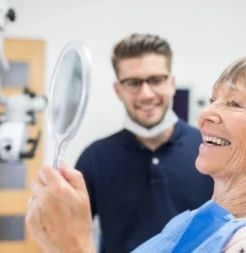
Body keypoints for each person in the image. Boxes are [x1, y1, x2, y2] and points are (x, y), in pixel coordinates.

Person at [26, 51, 246, 253]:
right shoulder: (200, 222)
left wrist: (73, 247)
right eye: (212, 100)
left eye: (234, 103)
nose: (205, 115)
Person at [72, 33, 214, 253]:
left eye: (156, 80)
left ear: (172, 84)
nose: (146, 94)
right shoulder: (94, 159)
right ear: (118, 90)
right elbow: (71, 232)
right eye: (133, 83)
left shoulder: (209, 150)